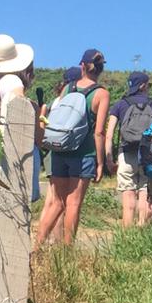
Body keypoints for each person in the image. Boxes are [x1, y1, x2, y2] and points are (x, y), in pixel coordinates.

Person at [37, 49, 110, 246]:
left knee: (57, 201)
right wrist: (100, 163)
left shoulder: (68, 88)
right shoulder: (101, 94)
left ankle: (37, 245)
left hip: (60, 149)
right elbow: (99, 132)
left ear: (82, 66)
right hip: (84, 151)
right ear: (101, 69)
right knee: (74, 203)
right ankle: (67, 252)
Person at [106, 71, 152, 227]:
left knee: (128, 197)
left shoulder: (120, 104)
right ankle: (141, 230)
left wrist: (109, 159)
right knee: (144, 193)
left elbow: (109, 133)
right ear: (143, 86)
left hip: (126, 153)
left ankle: (126, 236)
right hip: (148, 156)